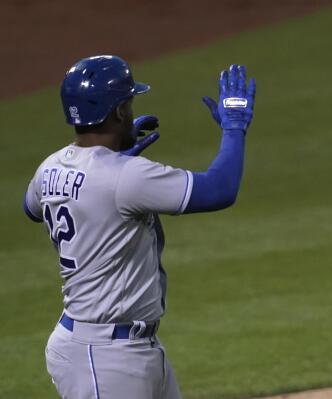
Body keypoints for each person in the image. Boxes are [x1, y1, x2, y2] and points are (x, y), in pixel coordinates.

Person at [23, 55, 256, 398]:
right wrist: (234, 127)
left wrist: (111, 168)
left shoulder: (50, 167)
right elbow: (220, 189)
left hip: (117, 346)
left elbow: (32, 208)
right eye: (129, 102)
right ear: (118, 111)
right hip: (105, 357)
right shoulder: (125, 177)